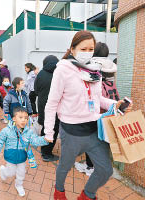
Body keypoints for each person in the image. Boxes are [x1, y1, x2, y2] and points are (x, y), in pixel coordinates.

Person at [43, 31, 132, 200]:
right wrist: (49, 132)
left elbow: (97, 99)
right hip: (71, 132)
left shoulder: (94, 70)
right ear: (73, 49)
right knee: (65, 166)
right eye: (83, 48)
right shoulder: (63, 70)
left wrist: (116, 105)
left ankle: (87, 195)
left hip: (94, 130)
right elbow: (52, 103)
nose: (87, 52)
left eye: (91, 48)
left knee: (106, 169)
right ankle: (59, 191)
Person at [75, 42, 120, 176]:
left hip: (95, 109)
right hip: (109, 108)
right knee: (103, 139)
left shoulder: (93, 66)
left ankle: (90, 167)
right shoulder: (111, 66)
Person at [0, 107, 49, 197]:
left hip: (22, 158)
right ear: (14, 118)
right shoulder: (7, 131)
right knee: (10, 172)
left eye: (26, 118)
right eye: (21, 117)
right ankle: (3, 171)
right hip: (10, 157)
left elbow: (35, 141)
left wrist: (45, 139)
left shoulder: (29, 132)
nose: (24, 120)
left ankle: (19, 185)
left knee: (21, 173)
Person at [34, 55, 60, 162]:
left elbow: (35, 90)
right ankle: (47, 153)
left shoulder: (40, 74)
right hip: (55, 107)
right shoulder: (58, 74)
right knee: (54, 129)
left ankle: (44, 150)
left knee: (46, 128)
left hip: (42, 105)